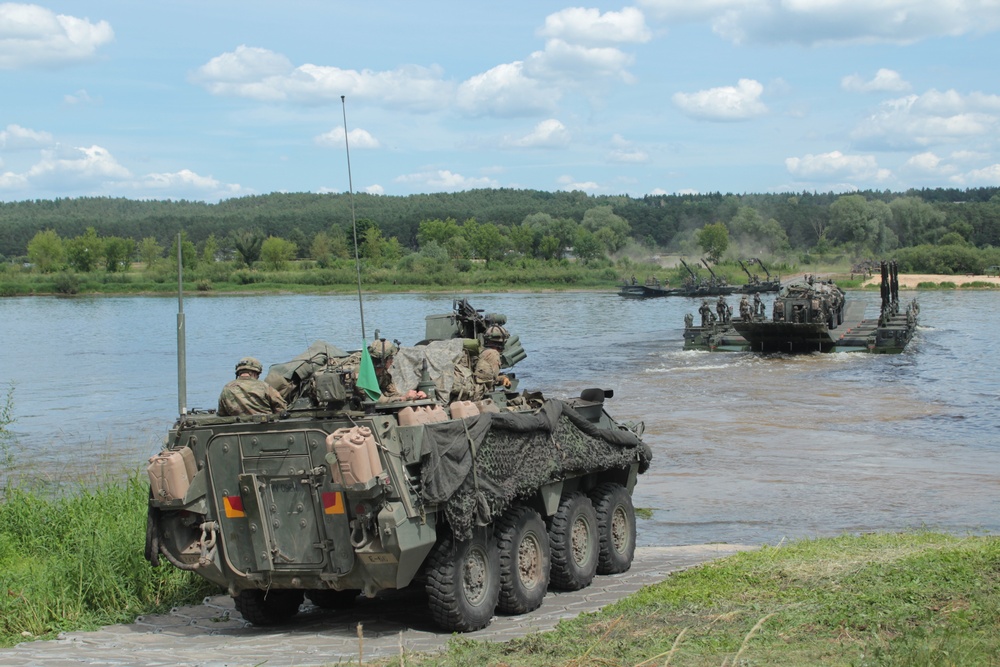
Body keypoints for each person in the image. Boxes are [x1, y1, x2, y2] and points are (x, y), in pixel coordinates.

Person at [218, 357, 287, 416]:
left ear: (239, 372)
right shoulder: (264, 386)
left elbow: (222, 413)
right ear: (255, 373)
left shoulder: (227, 388)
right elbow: (281, 407)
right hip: (264, 427)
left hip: (238, 428)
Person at [473, 324, 512, 396]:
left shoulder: (482, 351)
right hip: (477, 393)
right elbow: (490, 380)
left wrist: (502, 379)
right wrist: (501, 379)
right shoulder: (493, 354)